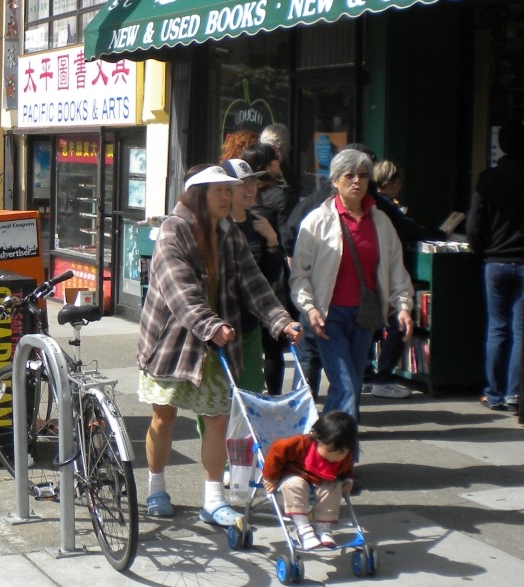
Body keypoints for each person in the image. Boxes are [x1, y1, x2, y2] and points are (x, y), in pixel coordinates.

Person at [137, 164, 303, 523]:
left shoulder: (229, 233)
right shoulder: (173, 230)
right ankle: (156, 486)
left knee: (217, 419)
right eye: (219, 191)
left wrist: (281, 320)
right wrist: (209, 324)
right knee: (163, 417)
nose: (227, 197)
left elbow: (254, 283)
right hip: (171, 343)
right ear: (199, 196)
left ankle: (213, 499)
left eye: (229, 190)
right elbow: (178, 288)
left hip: (215, 341)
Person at [291, 148, 414, 426]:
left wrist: (404, 306)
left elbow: (396, 268)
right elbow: (300, 275)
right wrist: (309, 309)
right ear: (334, 181)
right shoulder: (316, 221)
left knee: (351, 387)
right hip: (328, 317)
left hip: (365, 317)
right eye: (349, 176)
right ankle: (340, 454)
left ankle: (331, 451)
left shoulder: (381, 222)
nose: (357, 181)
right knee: (346, 385)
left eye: (362, 175)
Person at [364, 159, 448, 399]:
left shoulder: (372, 204)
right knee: (398, 320)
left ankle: (367, 374)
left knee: (372, 322)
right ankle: (382, 376)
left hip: (374, 272)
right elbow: (408, 227)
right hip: (385, 271)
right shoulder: (381, 205)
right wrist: (439, 235)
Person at [466, 120, 524, 412]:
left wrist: (480, 250)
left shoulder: (488, 179)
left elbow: (475, 223)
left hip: (495, 260)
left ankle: (494, 393)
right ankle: (516, 393)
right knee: (519, 329)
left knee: (497, 328)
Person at [220, 158, 284, 393]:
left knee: (251, 391)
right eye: (242, 183)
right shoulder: (217, 226)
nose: (249, 189)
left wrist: (272, 241)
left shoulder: (261, 221)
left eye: (253, 182)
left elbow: (271, 275)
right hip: (221, 323)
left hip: (251, 321)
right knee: (220, 397)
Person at [261, 410, 357, 550]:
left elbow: (346, 469)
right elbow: (276, 451)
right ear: (317, 439)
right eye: (329, 451)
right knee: (294, 484)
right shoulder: (299, 444)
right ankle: (303, 529)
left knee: (334, 487)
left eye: (341, 452)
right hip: (295, 474)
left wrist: (348, 480)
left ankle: (324, 527)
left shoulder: (343, 457)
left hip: (322, 480)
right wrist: (271, 478)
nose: (334, 457)